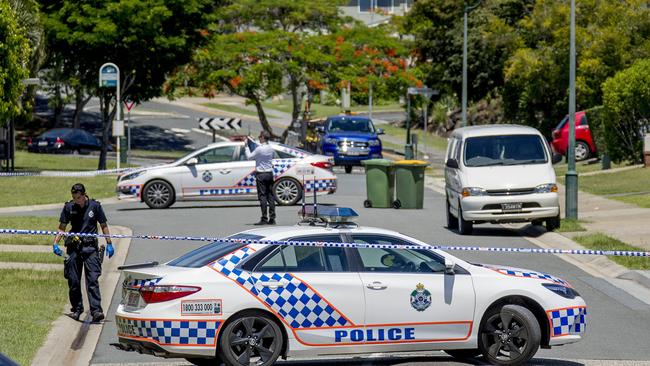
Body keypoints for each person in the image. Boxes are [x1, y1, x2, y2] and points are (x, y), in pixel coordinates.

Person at [52, 183, 114, 322]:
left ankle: (96, 311)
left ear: (84, 195)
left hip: (90, 248)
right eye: (74, 198)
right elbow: (62, 227)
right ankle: (77, 309)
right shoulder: (69, 207)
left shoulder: (95, 206)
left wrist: (109, 243)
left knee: (92, 280)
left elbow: (103, 225)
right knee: (73, 281)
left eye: (78, 197)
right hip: (74, 247)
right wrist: (55, 243)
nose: (76, 200)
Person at [245, 131, 276, 225]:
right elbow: (263, 147)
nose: (259, 138)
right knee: (270, 196)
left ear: (263, 137)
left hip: (261, 174)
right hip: (269, 173)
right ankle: (272, 218)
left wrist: (246, 146)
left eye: (260, 137)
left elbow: (249, 157)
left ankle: (264, 218)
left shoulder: (259, 149)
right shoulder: (271, 148)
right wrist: (253, 140)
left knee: (262, 196)